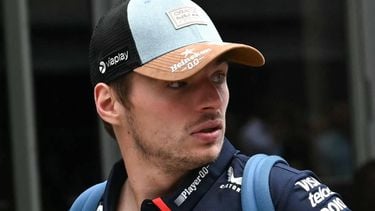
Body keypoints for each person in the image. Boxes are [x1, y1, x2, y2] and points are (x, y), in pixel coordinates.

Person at [71, 0, 351, 210]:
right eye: (178, 83)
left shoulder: (283, 194)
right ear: (109, 103)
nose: (212, 101)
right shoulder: (89, 205)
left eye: (218, 77)